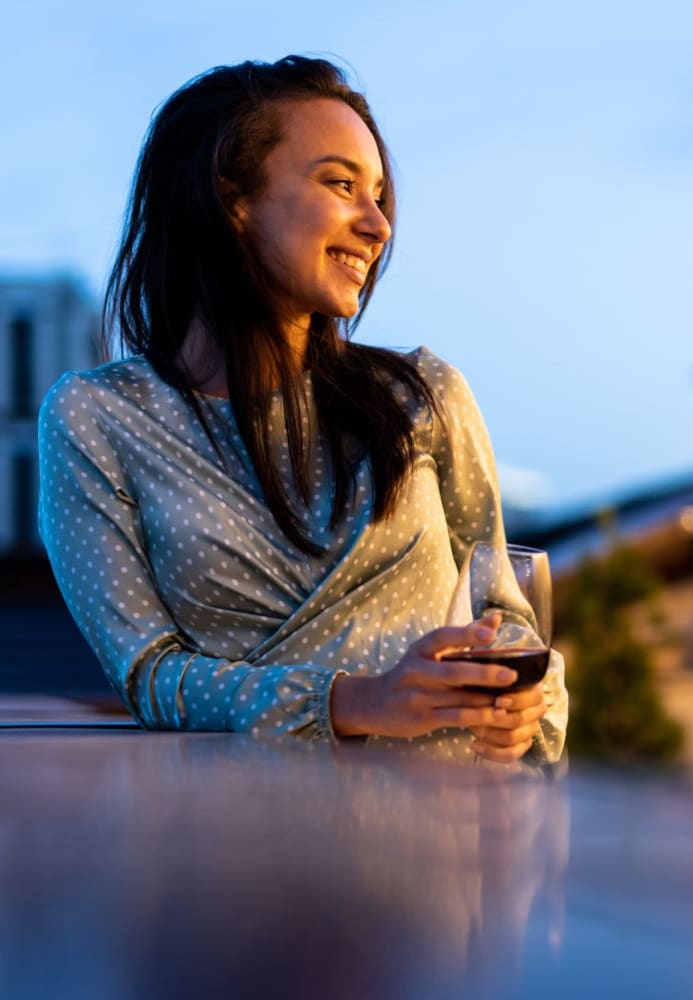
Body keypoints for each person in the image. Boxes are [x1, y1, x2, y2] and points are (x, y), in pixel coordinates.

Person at [37, 55, 567, 765]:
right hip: (244, 845)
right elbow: (148, 675)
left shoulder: (424, 395)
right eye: (342, 184)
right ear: (232, 194)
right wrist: (354, 701)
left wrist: (520, 710)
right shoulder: (98, 419)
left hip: (445, 838)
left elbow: (508, 621)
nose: (378, 225)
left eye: (379, 195)